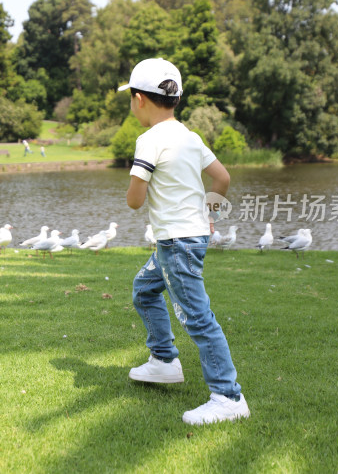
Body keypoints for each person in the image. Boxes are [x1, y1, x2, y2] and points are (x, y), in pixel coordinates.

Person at [121, 57, 249, 425]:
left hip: (176, 243)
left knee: (197, 317)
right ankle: (163, 361)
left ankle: (228, 397)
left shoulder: (148, 140)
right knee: (144, 289)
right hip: (185, 237)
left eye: (131, 98)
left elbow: (134, 201)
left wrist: (137, 179)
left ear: (140, 99)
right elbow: (222, 179)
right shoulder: (191, 137)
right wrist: (210, 216)